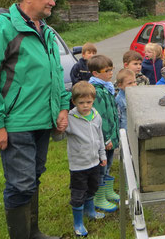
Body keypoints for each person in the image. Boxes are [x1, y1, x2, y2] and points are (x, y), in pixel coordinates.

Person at [0, 0, 70, 239]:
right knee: (20, 185)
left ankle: (33, 232)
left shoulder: (45, 30)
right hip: (16, 122)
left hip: (42, 120)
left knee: (33, 178)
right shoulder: (2, 26)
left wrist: (62, 107)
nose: (53, 2)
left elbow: (56, 71)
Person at [52, 82, 107, 237]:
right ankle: (78, 222)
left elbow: (99, 137)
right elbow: (58, 137)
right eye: (81, 103)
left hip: (94, 162)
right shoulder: (70, 118)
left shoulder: (96, 116)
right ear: (74, 102)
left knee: (92, 187)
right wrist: (57, 129)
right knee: (78, 193)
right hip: (78, 166)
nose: (85, 106)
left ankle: (90, 211)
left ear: (93, 101)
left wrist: (102, 155)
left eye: (88, 102)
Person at [87, 55, 119, 213]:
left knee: (109, 165)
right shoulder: (97, 92)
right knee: (102, 167)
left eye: (111, 69)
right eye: (107, 71)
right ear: (95, 73)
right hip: (104, 140)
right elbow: (101, 119)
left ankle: (107, 191)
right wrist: (106, 139)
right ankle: (99, 198)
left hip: (111, 138)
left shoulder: (107, 87)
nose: (110, 73)